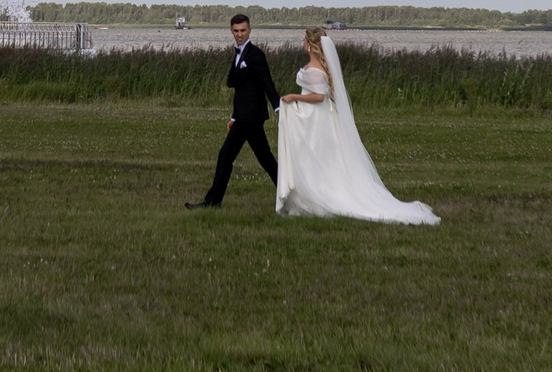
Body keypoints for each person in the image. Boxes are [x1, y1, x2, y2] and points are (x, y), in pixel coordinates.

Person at [275, 27, 439, 225]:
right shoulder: (316, 66)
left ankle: (318, 195)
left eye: (304, 40)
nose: (302, 43)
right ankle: (306, 195)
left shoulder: (316, 71)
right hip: (314, 116)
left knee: (317, 156)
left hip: (317, 118)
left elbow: (319, 96)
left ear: (311, 45)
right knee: (313, 156)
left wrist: (294, 97)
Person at [188, 13, 277, 208]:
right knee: (226, 156)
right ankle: (212, 202)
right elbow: (240, 91)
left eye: (243, 30)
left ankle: (291, 196)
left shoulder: (256, 54)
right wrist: (234, 117)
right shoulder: (238, 54)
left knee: (266, 160)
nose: (239, 34)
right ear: (231, 31)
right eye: (236, 31)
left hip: (252, 118)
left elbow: (266, 83)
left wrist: (278, 106)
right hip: (242, 118)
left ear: (250, 30)